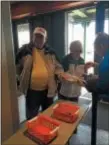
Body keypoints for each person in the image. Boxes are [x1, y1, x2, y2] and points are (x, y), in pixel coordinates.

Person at [16, 27, 63, 120]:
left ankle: (45, 131)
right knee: (31, 116)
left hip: (48, 90)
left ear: (45, 39)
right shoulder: (24, 50)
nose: (38, 39)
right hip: (32, 91)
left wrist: (60, 74)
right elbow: (17, 66)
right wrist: (20, 78)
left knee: (48, 114)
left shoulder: (51, 52)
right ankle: (32, 132)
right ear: (32, 37)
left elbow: (59, 67)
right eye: (36, 36)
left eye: (41, 37)